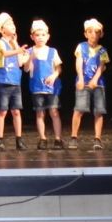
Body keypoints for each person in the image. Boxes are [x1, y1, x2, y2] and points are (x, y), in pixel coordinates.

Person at [68, 18, 108, 150]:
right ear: (85, 34)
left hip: (98, 84)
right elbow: (79, 62)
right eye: (90, 32)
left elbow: (102, 66)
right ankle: (74, 137)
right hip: (83, 82)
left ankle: (97, 138)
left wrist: (95, 79)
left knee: (98, 111)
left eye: (96, 32)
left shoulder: (102, 50)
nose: (93, 35)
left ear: (101, 34)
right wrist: (80, 78)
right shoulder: (81, 46)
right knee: (79, 109)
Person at [0, 12, 29, 151]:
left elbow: (19, 63)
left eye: (12, 23)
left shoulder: (15, 44)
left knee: (16, 112)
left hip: (15, 82)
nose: (12, 26)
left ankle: (19, 140)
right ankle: (0, 140)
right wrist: (18, 50)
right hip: (3, 81)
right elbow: (5, 54)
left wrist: (19, 49)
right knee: (2, 111)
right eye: (8, 24)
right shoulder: (0, 42)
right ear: (2, 29)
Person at [27, 19, 64, 150]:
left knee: (54, 111)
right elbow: (26, 68)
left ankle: (58, 139)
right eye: (37, 35)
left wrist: (54, 75)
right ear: (32, 37)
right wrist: (30, 58)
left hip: (52, 87)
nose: (40, 37)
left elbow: (58, 68)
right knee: (40, 113)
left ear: (48, 36)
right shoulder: (29, 51)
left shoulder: (52, 51)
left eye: (43, 35)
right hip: (37, 87)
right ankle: (43, 138)